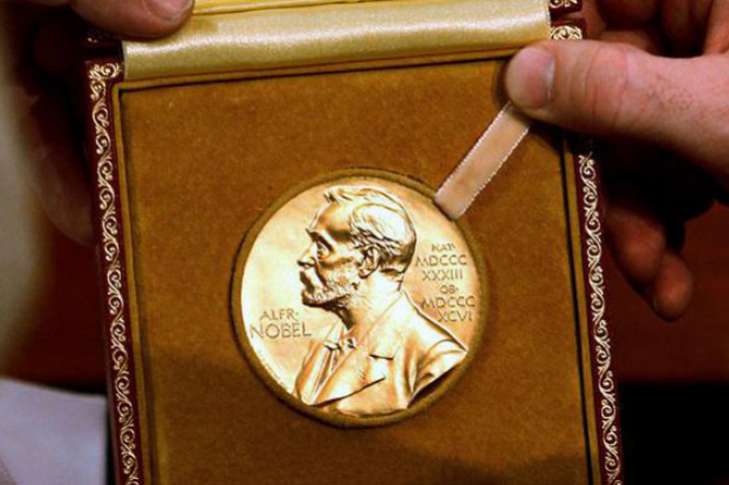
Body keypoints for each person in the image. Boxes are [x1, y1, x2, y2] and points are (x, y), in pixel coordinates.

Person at [293, 186, 467, 417]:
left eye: (322, 247)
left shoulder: (435, 360)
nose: (304, 258)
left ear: (368, 260)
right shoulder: (321, 344)